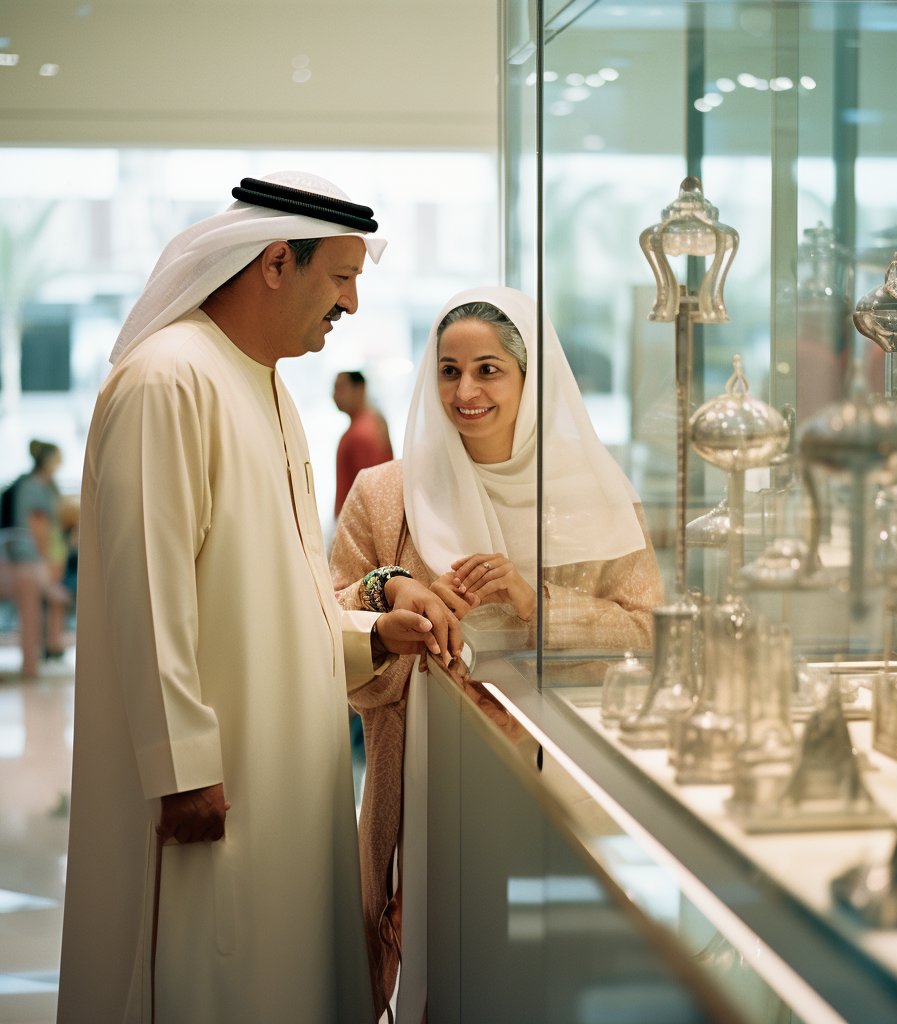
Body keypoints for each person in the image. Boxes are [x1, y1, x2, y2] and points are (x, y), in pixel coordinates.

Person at [58, 172, 461, 1024]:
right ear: (278, 261)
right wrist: (182, 768)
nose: (351, 301)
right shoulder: (169, 380)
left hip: (286, 771)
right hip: (215, 784)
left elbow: (277, 597)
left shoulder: (270, 388)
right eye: (341, 277)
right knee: (207, 978)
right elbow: (148, 592)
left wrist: (372, 633)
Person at [330, 286, 663, 1020]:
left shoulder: (594, 499)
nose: (466, 391)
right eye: (448, 371)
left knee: (554, 983)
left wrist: (534, 601)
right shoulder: (386, 496)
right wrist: (393, 592)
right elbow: (326, 619)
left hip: (566, 791)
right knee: (444, 978)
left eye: (488, 370)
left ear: (529, 379)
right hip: (426, 781)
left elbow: (648, 632)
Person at [0, 440, 70, 677]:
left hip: (29, 560)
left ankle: (51, 649)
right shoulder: (35, 487)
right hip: (29, 562)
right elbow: (38, 529)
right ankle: (48, 652)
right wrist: (46, 563)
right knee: (53, 598)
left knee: (52, 600)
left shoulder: (36, 486)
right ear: (48, 460)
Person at [334, 370, 393, 517]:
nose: (335, 396)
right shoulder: (373, 421)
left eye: (341, 388)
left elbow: (371, 491)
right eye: (334, 389)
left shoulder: (361, 434)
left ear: (360, 389)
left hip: (358, 523)